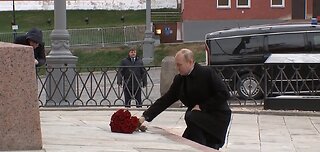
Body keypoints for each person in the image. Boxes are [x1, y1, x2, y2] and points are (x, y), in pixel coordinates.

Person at [138, 48, 231, 150]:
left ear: (190, 62)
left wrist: (203, 106)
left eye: (179, 65)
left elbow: (224, 93)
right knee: (187, 142)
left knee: (191, 119)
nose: (177, 68)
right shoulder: (179, 79)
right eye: (176, 64)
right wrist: (145, 116)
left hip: (216, 117)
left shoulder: (206, 73)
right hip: (196, 118)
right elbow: (166, 100)